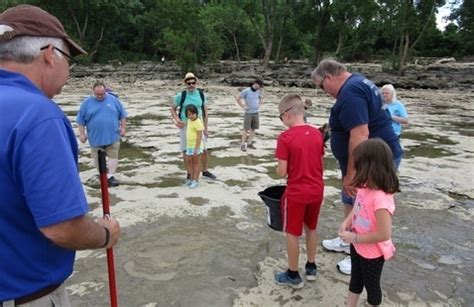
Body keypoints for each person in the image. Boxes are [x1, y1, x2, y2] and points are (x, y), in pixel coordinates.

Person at [0, 5, 120, 305]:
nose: (69, 71)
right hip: (23, 294)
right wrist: (105, 234)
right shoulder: (37, 115)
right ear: (49, 55)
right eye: (69, 59)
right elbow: (62, 228)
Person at [311, 59, 402, 275]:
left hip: (373, 162)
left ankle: (362, 253)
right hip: (364, 160)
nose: (323, 92)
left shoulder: (351, 93)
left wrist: (353, 172)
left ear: (329, 77)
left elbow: (360, 134)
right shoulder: (358, 82)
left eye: (321, 86)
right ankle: (348, 240)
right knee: (350, 198)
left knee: (368, 206)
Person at [338, 138, 399, 306]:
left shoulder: (381, 199)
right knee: (355, 279)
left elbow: (384, 234)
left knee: (372, 287)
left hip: (372, 253)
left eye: (358, 165)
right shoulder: (365, 186)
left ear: (370, 166)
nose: (355, 168)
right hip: (356, 244)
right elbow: (357, 208)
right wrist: (346, 223)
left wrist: (354, 238)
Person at [274, 94, 325, 289]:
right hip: (317, 189)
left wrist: (278, 168)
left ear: (287, 115)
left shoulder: (285, 137)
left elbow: (282, 172)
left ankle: (293, 274)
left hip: (296, 192)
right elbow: (320, 165)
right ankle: (311, 267)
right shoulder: (317, 134)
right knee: (311, 227)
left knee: (292, 232)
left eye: (280, 117)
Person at [76, 81, 128, 187]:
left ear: (106, 91)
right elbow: (80, 120)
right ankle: (103, 175)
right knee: (97, 158)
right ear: (93, 92)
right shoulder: (86, 103)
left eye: (102, 94)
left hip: (112, 135)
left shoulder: (114, 100)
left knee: (113, 155)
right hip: (95, 138)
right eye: (97, 94)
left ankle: (111, 176)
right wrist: (81, 134)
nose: (100, 96)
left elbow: (122, 115)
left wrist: (123, 128)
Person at [170, 72, 217, 181]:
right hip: (185, 126)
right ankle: (189, 173)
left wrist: (206, 128)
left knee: (203, 150)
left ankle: (205, 171)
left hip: (199, 125)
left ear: (196, 83)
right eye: (189, 83)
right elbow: (172, 108)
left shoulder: (201, 95)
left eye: (193, 82)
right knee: (186, 150)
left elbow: (205, 111)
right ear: (185, 83)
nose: (191, 85)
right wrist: (177, 119)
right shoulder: (181, 95)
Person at [235, 79, 264, 151]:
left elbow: (261, 97)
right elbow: (238, 97)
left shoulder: (259, 91)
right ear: (255, 84)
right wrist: (243, 106)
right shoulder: (246, 91)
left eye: (260, 86)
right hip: (248, 113)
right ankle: (242, 144)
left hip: (256, 112)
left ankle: (249, 143)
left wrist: (259, 104)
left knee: (253, 128)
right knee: (246, 129)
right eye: (258, 86)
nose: (259, 87)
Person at [185, 104, 204, 189]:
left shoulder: (198, 122)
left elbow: (199, 136)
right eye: (189, 114)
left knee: (196, 163)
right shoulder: (189, 120)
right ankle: (191, 179)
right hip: (189, 146)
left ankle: (196, 180)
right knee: (189, 162)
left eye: (193, 114)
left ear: (196, 113)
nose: (191, 116)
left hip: (196, 146)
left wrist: (196, 148)